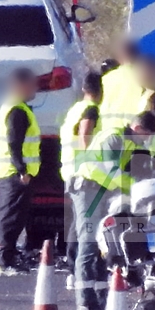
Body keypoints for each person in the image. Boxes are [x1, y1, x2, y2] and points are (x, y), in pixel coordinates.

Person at [70, 111, 155, 310]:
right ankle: (83, 300)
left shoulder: (134, 143)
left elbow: (138, 169)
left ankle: (100, 299)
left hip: (104, 191)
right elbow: (113, 173)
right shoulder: (114, 138)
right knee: (89, 241)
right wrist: (136, 187)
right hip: (87, 188)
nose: (148, 140)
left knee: (105, 243)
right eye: (147, 135)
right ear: (138, 129)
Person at [0, 68, 41, 276]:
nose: (35, 88)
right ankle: (3, 262)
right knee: (10, 217)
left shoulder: (15, 107)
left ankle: (5, 257)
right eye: (31, 84)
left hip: (11, 170)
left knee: (10, 215)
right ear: (20, 86)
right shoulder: (17, 111)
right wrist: (22, 169)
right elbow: (14, 142)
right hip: (14, 172)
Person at [59, 71, 103, 288]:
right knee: (86, 228)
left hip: (70, 171)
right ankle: (82, 278)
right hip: (84, 174)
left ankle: (72, 269)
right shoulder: (91, 109)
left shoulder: (74, 109)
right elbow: (85, 135)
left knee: (77, 225)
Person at [97, 40, 144, 132]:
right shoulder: (144, 79)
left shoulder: (106, 78)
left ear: (120, 57)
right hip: (132, 131)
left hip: (106, 130)